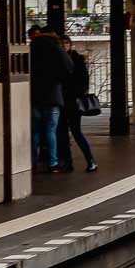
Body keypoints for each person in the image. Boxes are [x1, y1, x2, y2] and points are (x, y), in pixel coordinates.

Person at [29, 29, 72, 173]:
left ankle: (32, 162)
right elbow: (69, 67)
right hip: (53, 95)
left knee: (35, 131)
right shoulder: (56, 49)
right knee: (50, 130)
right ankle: (52, 163)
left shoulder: (32, 48)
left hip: (34, 96)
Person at [56, 35, 98, 173]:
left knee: (76, 131)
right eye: (62, 43)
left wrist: (77, 94)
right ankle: (68, 163)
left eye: (66, 43)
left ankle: (90, 160)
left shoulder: (77, 59)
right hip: (62, 101)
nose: (64, 45)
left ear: (70, 45)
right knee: (62, 133)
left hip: (73, 101)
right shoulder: (59, 60)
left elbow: (84, 80)